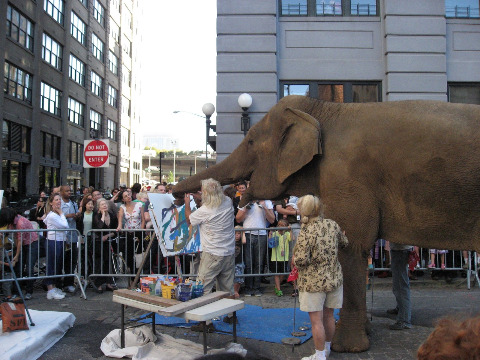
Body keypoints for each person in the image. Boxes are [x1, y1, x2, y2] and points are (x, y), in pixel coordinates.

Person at [293, 195, 348, 360]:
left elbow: (301, 261)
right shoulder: (332, 225)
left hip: (313, 281)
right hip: (333, 278)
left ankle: (319, 355)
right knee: (329, 315)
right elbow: (344, 243)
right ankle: (326, 349)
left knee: (316, 321)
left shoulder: (306, 231)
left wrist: (294, 259)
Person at [184, 178, 235, 332]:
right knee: (227, 287)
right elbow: (214, 199)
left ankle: (205, 323)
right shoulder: (228, 201)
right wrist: (201, 196)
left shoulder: (205, 210)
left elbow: (189, 219)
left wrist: (187, 203)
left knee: (204, 287)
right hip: (229, 251)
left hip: (213, 252)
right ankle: (231, 315)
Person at [236, 198, 275, 297]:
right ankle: (249, 287)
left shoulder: (267, 202)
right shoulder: (245, 201)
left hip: (261, 234)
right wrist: (245, 208)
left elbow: (272, 220)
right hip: (248, 234)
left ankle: (256, 287)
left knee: (259, 262)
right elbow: (238, 219)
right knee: (248, 263)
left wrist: (265, 207)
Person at [43, 193, 69, 300]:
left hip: (60, 240)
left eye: (59, 200)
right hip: (53, 241)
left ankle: (54, 286)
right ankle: (50, 288)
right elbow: (64, 225)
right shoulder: (53, 215)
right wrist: (62, 213)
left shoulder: (55, 215)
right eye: (56, 200)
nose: (59, 201)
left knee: (57, 264)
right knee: (52, 264)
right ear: (51, 203)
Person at [92, 198, 119, 293]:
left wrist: (108, 235)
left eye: (105, 204)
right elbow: (99, 226)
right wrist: (103, 215)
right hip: (98, 242)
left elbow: (115, 230)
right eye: (102, 204)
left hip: (109, 241)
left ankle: (108, 283)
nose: (104, 205)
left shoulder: (112, 215)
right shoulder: (96, 216)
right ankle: (98, 284)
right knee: (100, 263)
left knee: (109, 263)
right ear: (99, 207)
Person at [116, 190, 145, 273]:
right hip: (128, 232)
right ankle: (132, 273)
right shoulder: (122, 207)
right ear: (123, 199)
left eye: (129, 195)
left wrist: (141, 231)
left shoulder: (139, 204)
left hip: (138, 231)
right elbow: (120, 218)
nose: (128, 197)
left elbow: (143, 219)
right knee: (129, 254)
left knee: (139, 253)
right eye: (125, 196)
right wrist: (119, 226)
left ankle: (138, 273)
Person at [387, 241, 413, 330]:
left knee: (400, 285)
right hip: (400, 249)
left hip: (400, 249)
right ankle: (401, 308)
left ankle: (404, 320)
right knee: (399, 283)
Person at [60, 185, 79, 293]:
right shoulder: (59, 204)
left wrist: (76, 215)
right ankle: (58, 283)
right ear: (62, 192)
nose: (69, 192)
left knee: (71, 261)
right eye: (67, 191)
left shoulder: (73, 203)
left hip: (72, 236)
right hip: (62, 237)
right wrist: (67, 216)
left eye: (70, 191)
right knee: (60, 260)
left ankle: (69, 283)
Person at [269, 219, 291, 297]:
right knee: (276, 273)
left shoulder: (287, 234)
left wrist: (290, 230)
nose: (280, 227)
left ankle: (276, 286)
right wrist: (270, 234)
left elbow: (292, 238)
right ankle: (278, 289)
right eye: (279, 225)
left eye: (282, 225)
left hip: (284, 257)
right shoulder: (275, 233)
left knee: (282, 274)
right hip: (275, 257)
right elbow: (270, 243)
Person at [233, 225, 245, 299]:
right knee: (233, 277)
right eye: (235, 233)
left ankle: (236, 291)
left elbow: (244, 241)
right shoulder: (231, 241)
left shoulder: (241, 241)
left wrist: (243, 232)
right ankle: (234, 291)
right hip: (232, 262)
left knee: (239, 277)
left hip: (239, 262)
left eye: (238, 234)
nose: (236, 235)